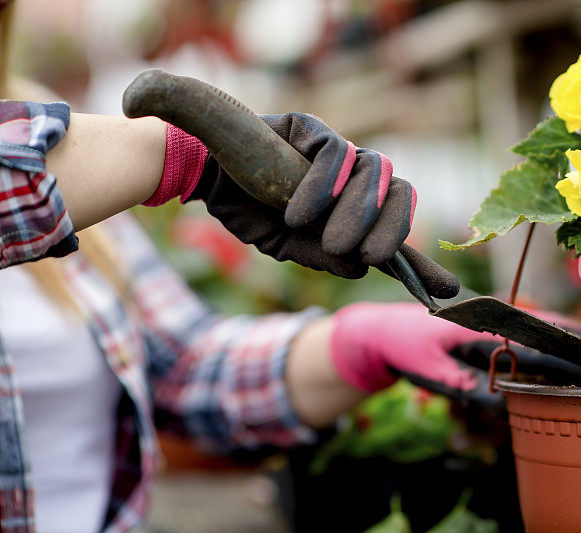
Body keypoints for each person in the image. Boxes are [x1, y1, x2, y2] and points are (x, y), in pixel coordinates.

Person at [0, 3, 548, 532]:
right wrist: (179, 156)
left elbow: (184, 367)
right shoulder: (71, 150)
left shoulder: (54, 126)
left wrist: (356, 347)